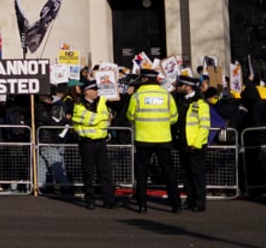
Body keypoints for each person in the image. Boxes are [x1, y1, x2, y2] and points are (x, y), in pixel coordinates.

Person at [126, 68, 180, 214]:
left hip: (143, 138)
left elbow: (130, 115)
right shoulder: (166, 95)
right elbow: (174, 117)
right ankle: (176, 205)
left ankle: (142, 205)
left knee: (142, 174)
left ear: (143, 79)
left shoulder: (137, 96)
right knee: (168, 172)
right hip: (163, 138)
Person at [72, 77, 116, 209]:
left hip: (101, 142)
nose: (97, 91)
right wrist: (102, 118)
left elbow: (108, 121)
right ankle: (90, 200)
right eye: (94, 89)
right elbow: (90, 119)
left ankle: (108, 200)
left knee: (105, 172)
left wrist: (103, 119)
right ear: (86, 92)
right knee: (88, 173)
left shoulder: (102, 102)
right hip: (87, 143)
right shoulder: (78, 105)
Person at [175, 73, 210, 212]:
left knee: (197, 175)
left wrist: (196, 143)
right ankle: (190, 199)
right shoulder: (181, 100)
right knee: (186, 175)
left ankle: (200, 202)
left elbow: (204, 126)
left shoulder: (201, 103)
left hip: (195, 145)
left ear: (188, 87)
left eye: (181, 85)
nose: (179, 87)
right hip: (183, 143)